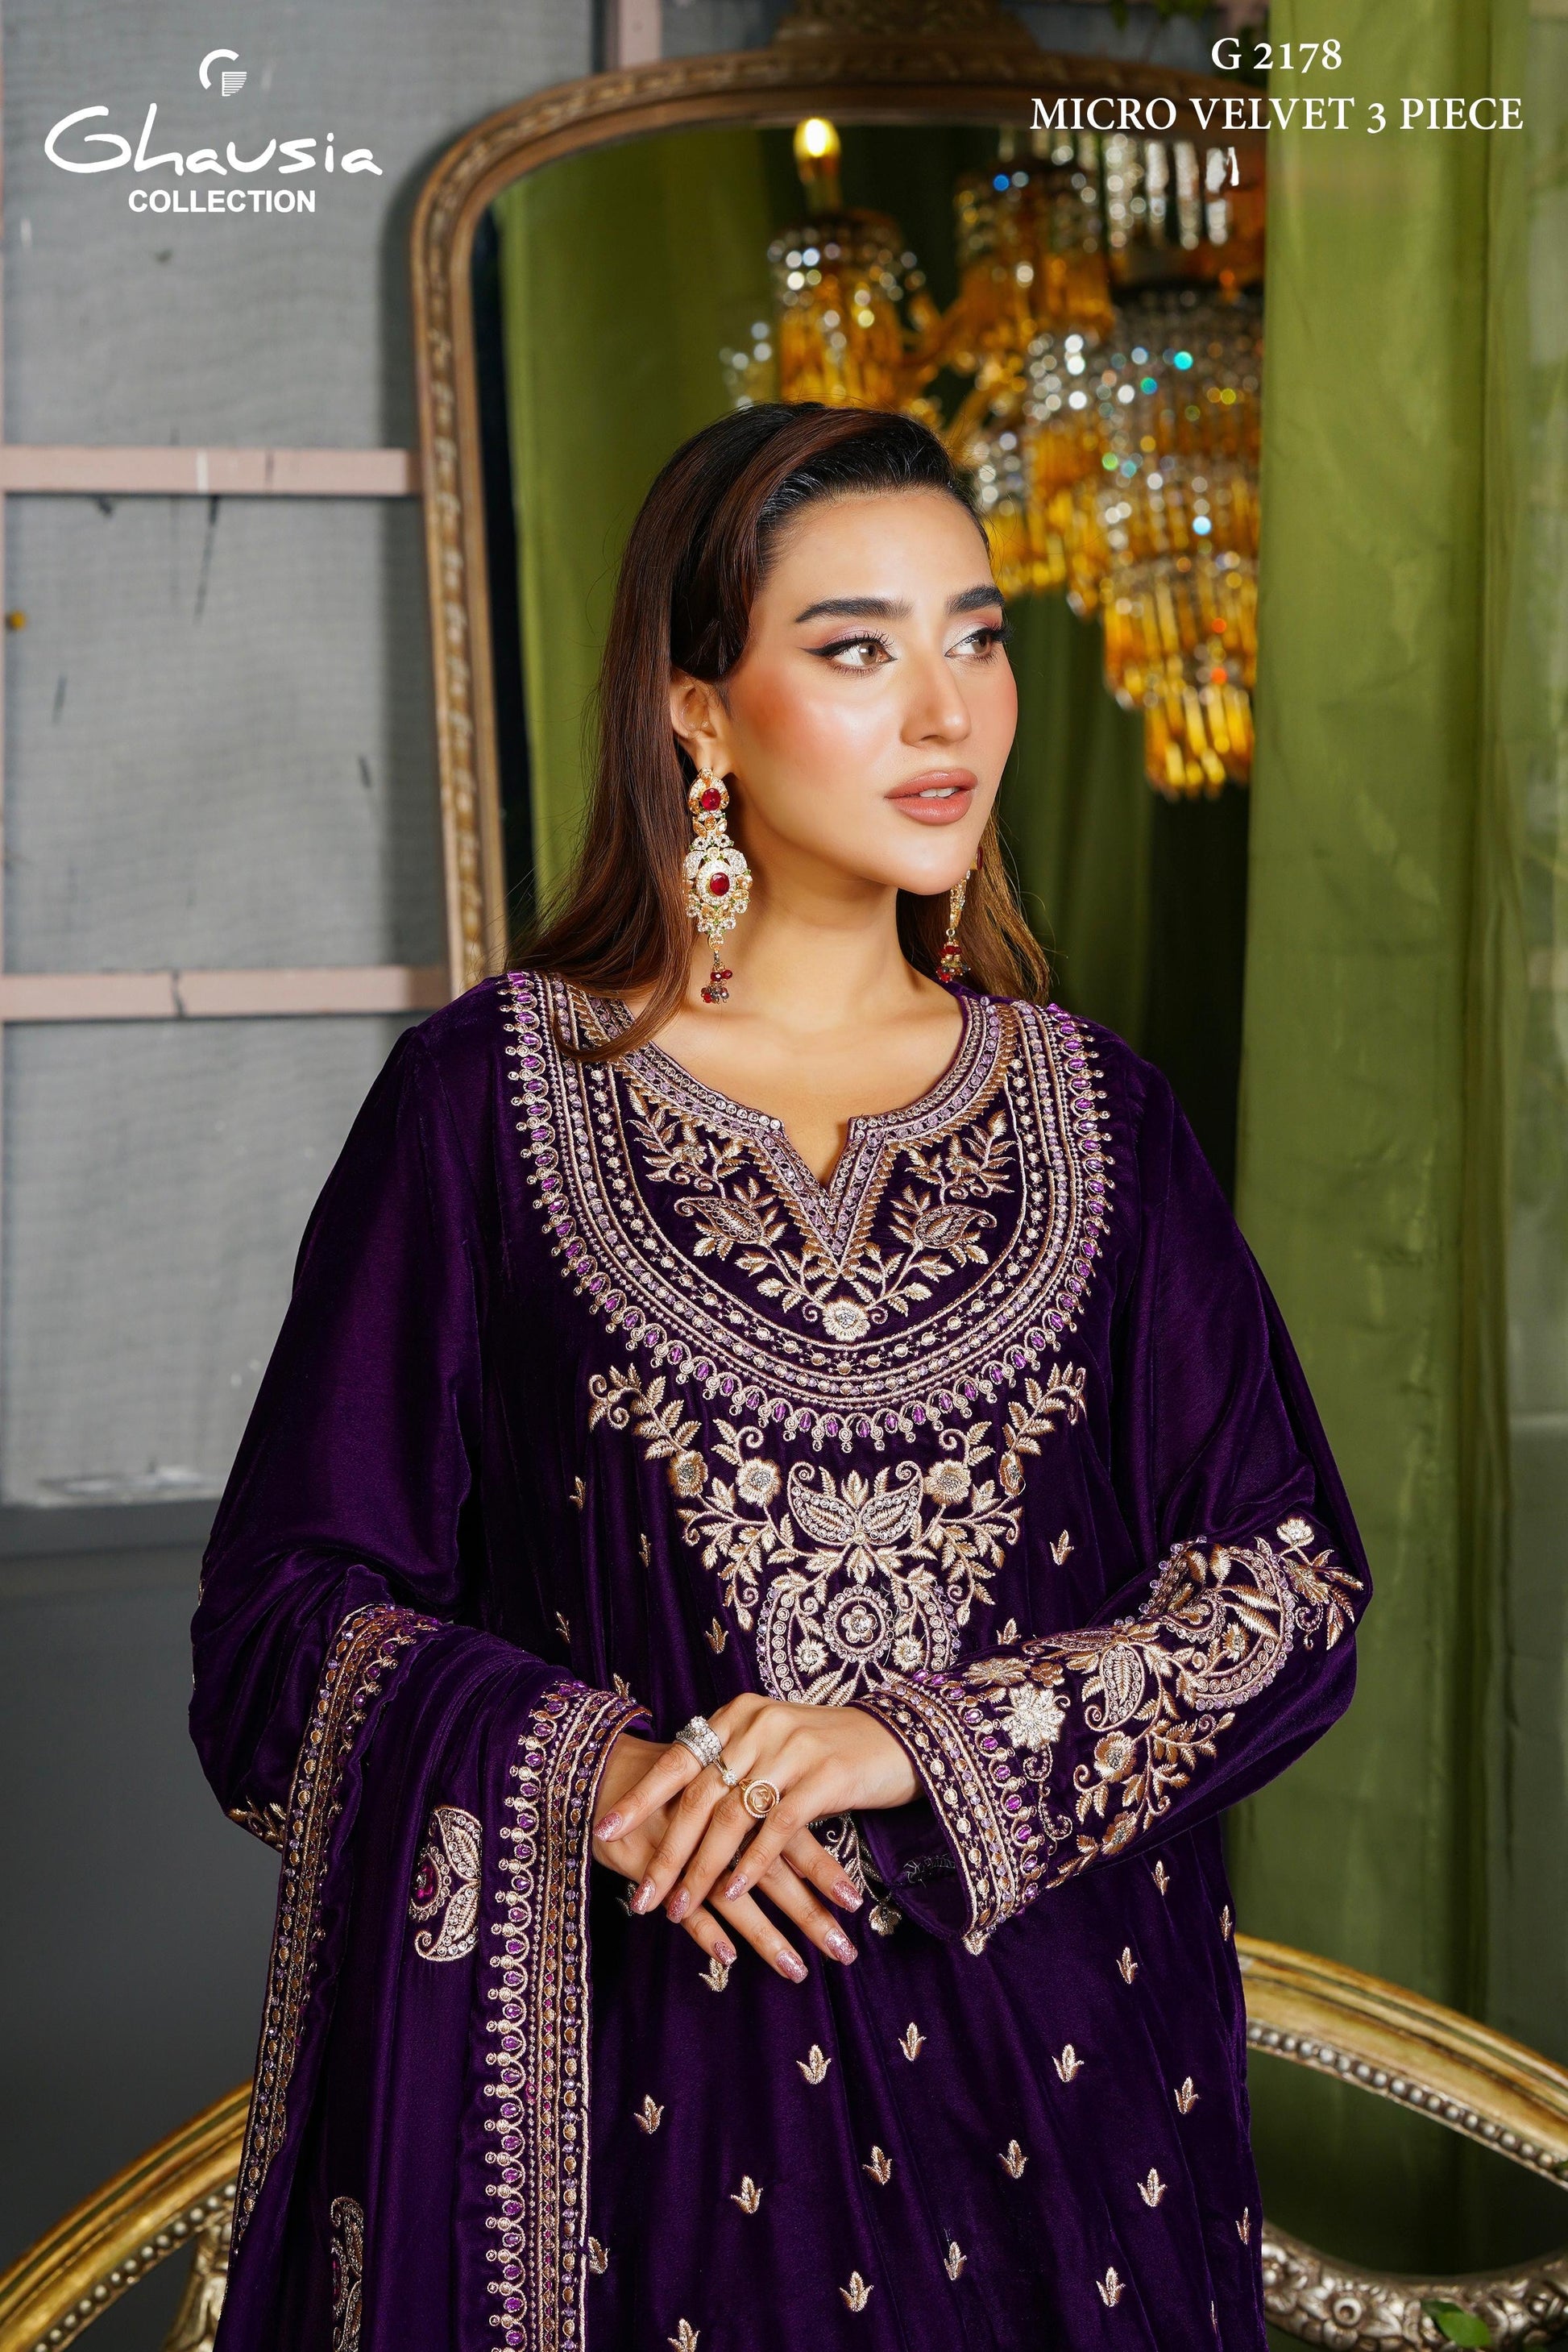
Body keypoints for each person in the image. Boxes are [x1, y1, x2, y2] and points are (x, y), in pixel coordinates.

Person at [192, 400, 1369, 2352]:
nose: (947, 711)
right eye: (856, 648)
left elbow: (1289, 1593)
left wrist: (908, 1742)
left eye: (976, 636)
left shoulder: (1104, 1124)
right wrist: (597, 1772)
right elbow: (276, 1630)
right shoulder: (487, 1108)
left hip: (1066, 2128)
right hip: (642, 2142)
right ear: (699, 715)